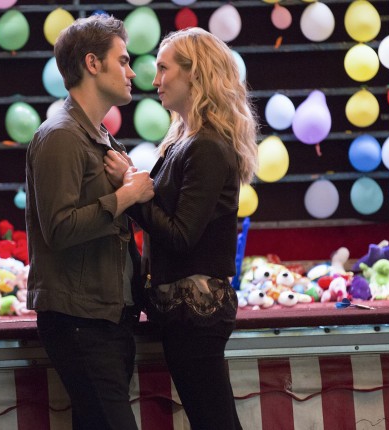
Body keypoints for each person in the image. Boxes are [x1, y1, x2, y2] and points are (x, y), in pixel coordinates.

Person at [105, 27, 258, 430]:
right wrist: (135, 187)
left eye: (163, 68)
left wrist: (132, 193)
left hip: (197, 312)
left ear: (194, 73)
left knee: (215, 422)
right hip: (185, 311)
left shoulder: (205, 145)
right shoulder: (186, 140)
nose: (155, 80)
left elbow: (180, 235)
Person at [24, 14, 154, 430]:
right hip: (80, 321)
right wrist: (125, 196)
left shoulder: (99, 136)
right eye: (123, 60)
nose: (132, 73)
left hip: (106, 317)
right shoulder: (61, 136)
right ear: (93, 64)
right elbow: (59, 228)